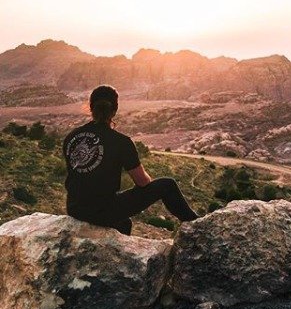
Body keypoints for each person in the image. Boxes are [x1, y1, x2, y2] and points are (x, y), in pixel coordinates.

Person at [63, 84, 198, 235]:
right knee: (167, 184)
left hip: (75, 208)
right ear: (115, 110)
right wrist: (149, 184)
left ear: (90, 107)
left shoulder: (71, 137)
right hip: (101, 210)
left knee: (124, 223)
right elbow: (142, 182)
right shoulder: (121, 142)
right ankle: (198, 226)